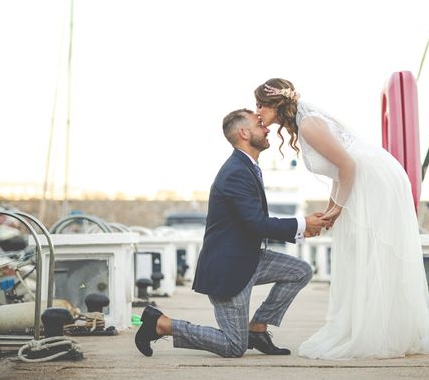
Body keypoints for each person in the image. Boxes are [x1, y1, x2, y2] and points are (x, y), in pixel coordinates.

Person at [254, 79, 429, 359]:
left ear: (276, 105)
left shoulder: (307, 124)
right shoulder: (304, 123)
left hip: (373, 182)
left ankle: (380, 333)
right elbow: (337, 172)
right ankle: (375, 327)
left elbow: (348, 165)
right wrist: (331, 209)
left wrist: (338, 209)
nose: (257, 111)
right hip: (360, 182)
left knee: (373, 253)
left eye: (260, 105)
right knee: (360, 254)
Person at [134, 108, 327, 358]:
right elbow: (257, 223)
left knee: (300, 271)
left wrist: (302, 228)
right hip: (228, 269)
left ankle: (257, 329)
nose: (267, 128)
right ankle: (162, 324)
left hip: (248, 259)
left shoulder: (247, 167)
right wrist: (302, 223)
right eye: (260, 126)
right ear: (244, 133)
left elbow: (253, 223)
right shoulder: (236, 172)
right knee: (233, 346)